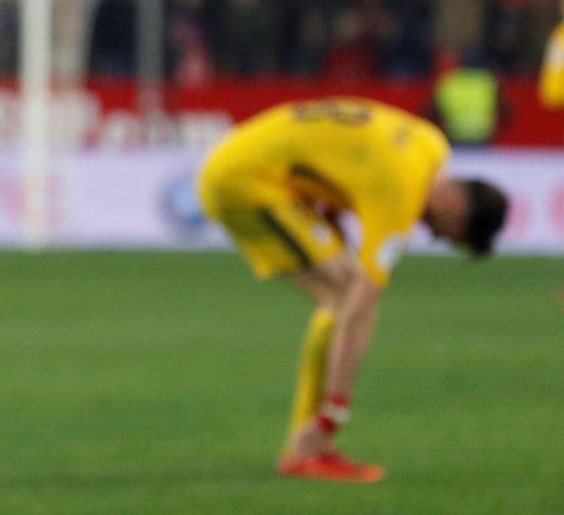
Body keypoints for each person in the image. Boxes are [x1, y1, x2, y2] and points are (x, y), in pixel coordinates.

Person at [197, 98, 508, 483]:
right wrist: (336, 410)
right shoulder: (401, 194)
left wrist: (327, 213)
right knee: (345, 301)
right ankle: (312, 441)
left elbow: (345, 153)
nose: (433, 233)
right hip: (246, 180)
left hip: (252, 160)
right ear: (455, 209)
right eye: (448, 234)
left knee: (341, 295)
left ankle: (308, 444)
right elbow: (364, 305)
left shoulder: (431, 145)